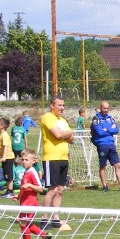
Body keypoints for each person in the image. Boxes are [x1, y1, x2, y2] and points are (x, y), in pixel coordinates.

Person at [40, 96, 74, 229]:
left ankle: (55, 218)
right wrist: (68, 133)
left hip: (63, 158)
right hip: (51, 158)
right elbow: (58, 135)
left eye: (63, 105)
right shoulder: (47, 117)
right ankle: (44, 219)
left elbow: (71, 140)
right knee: (52, 189)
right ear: (52, 106)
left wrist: (66, 133)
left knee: (60, 190)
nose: (62, 108)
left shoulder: (63, 121)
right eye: (59, 105)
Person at [90, 100, 120, 193]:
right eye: (104, 108)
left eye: (107, 108)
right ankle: (105, 186)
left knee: (117, 165)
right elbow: (99, 132)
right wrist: (110, 130)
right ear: (101, 108)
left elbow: (116, 130)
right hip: (102, 145)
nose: (106, 110)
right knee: (103, 165)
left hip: (111, 144)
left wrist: (107, 129)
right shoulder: (96, 118)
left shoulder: (110, 118)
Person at [14, 149, 51, 239]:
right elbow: (24, 188)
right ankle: (45, 236)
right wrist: (18, 197)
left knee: (23, 223)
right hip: (24, 202)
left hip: (30, 203)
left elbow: (40, 188)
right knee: (27, 224)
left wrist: (30, 185)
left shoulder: (32, 172)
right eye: (22, 159)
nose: (24, 162)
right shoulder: (26, 172)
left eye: (26, 160)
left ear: (33, 161)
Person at [0, 116, 15, 198]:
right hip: (6, 158)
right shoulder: (2, 135)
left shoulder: (5, 135)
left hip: (8, 158)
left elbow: (6, 146)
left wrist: (4, 157)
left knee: (8, 175)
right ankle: (8, 190)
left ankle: (10, 191)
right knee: (6, 174)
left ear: (1, 126)